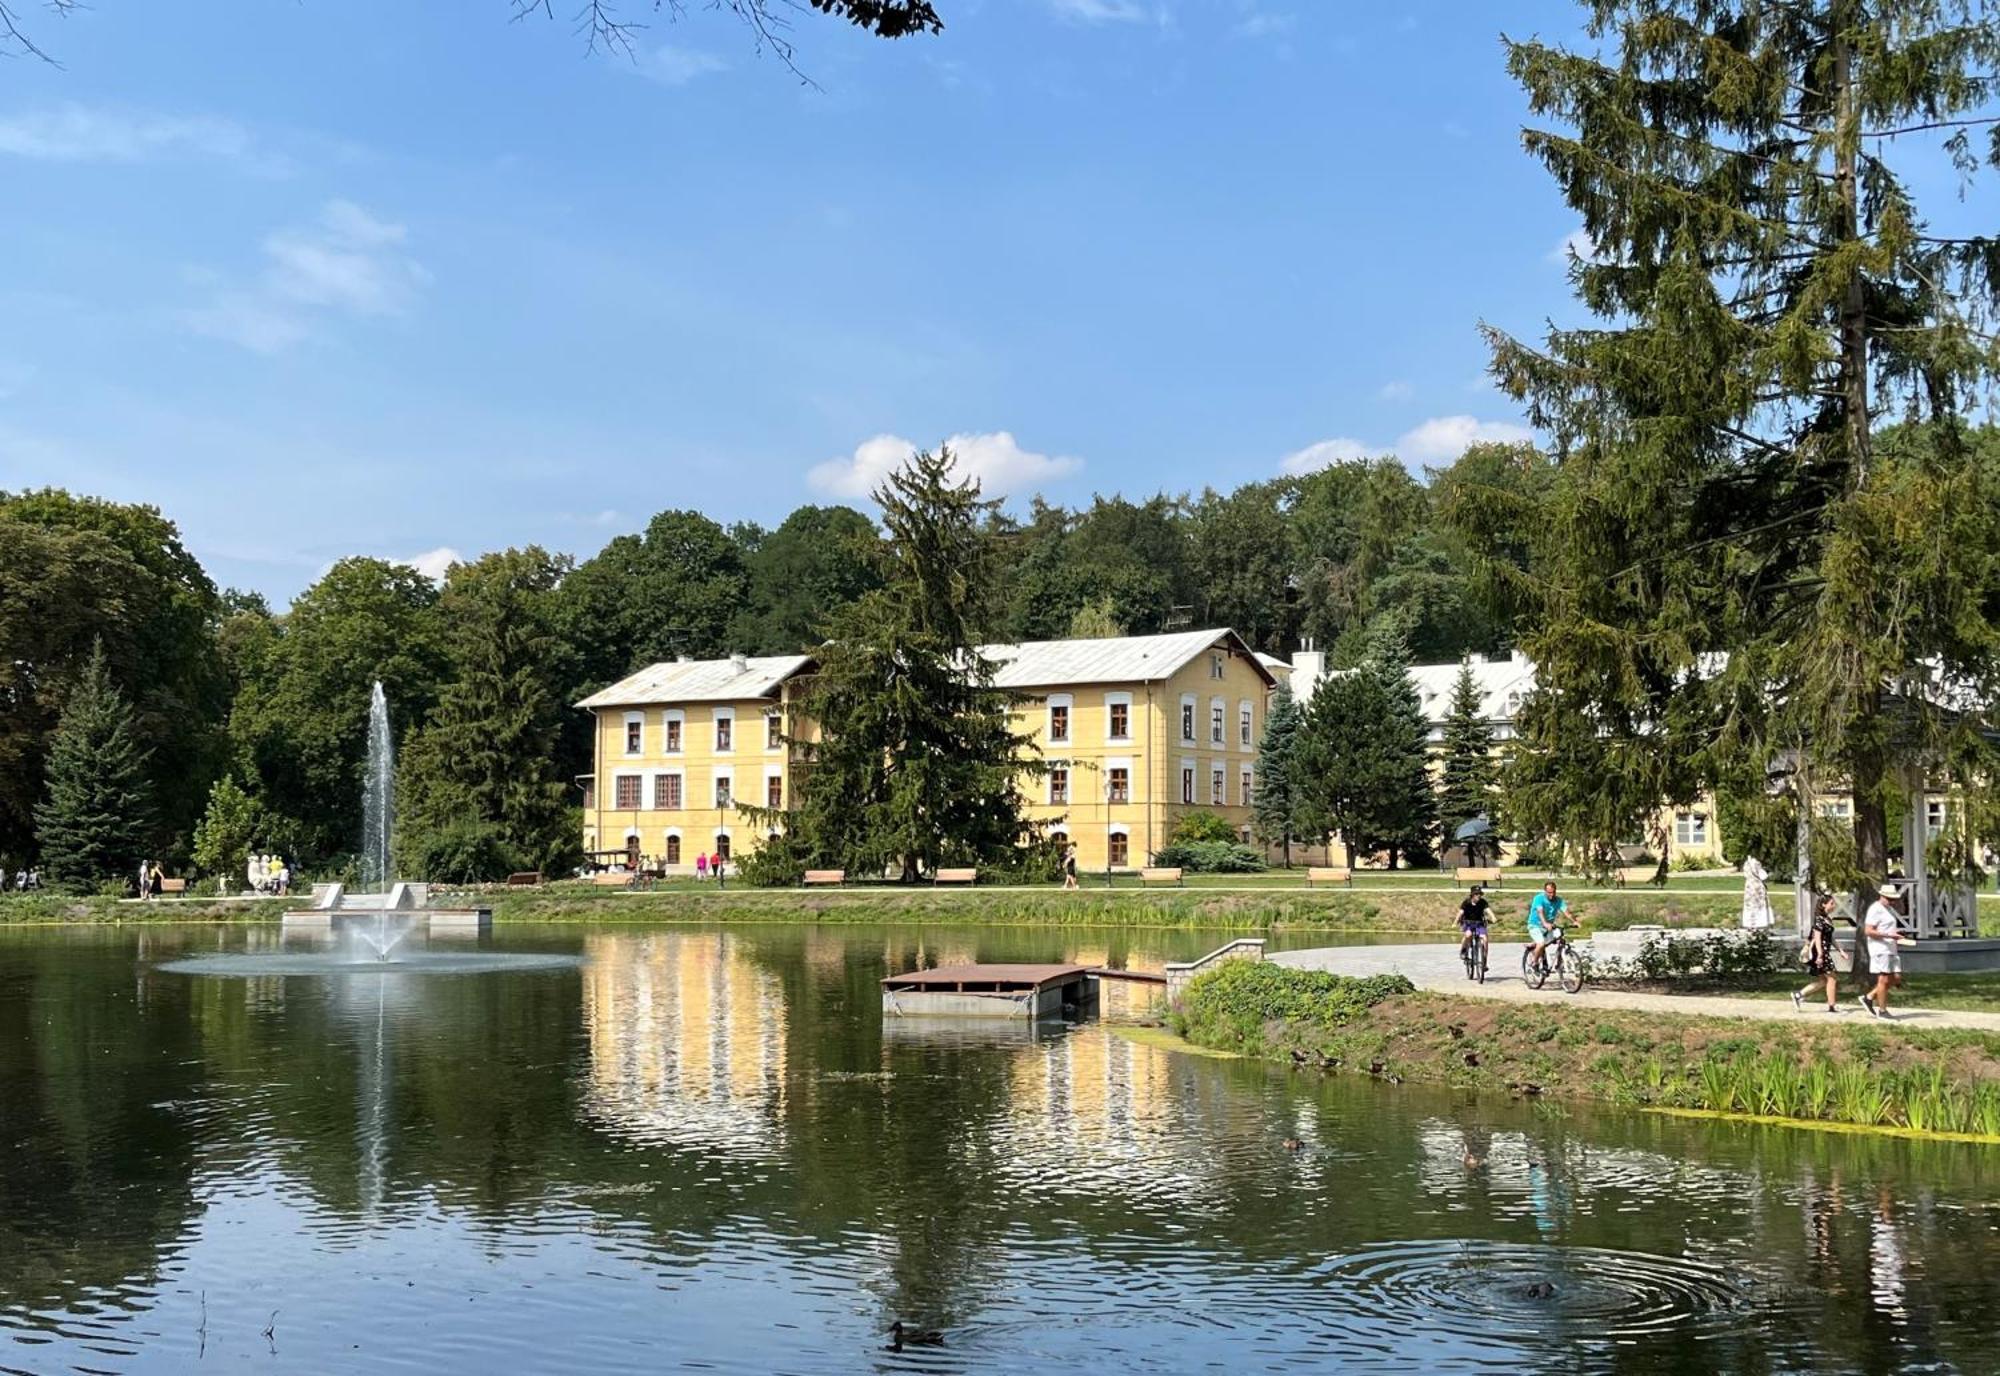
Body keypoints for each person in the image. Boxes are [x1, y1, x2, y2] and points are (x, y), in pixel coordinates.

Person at [1860, 884, 1906, 1019]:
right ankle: (1883, 1010)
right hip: (1880, 948)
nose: (1892, 902)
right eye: (1889, 899)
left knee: (1895, 977)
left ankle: (1868, 997)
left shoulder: (1889, 909)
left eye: (1893, 899)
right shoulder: (1875, 909)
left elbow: (1886, 927)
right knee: (1883, 979)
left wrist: (1895, 934)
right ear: (1882, 896)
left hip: (1891, 948)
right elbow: (1868, 931)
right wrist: (1889, 935)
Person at [1792, 893, 1841, 1013]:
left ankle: (1798, 995)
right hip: (1820, 952)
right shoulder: (1819, 920)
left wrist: (1841, 950)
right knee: (1832, 978)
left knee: (1824, 981)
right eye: (1831, 903)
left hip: (1824, 951)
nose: (1834, 905)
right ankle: (1832, 1006)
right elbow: (1817, 938)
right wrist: (1820, 955)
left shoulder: (1827, 919)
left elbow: (1830, 938)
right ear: (1824, 904)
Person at [1526, 881, 1570, 974]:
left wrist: (1575, 921)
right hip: (1535, 926)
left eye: (1553, 892)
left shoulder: (1558, 900)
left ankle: (1559, 965)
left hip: (1548, 927)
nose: (1552, 894)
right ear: (1545, 891)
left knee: (1561, 940)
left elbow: (1566, 912)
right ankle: (1534, 963)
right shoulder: (1539, 898)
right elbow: (1540, 911)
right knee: (1541, 944)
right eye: (1549, 892)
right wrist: (1545, 923)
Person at [1457, 884, 1491, 967]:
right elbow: (1460, 913)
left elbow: (1488, 911)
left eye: (1479, 894)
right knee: (1468, 935)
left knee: (1485, 939)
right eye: (1476, 894)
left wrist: (1494, 918)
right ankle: (1463, 950)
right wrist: (1456, 921)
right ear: (1472, 895)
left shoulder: (1483, 902)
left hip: (1479, 923)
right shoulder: (1466, 902)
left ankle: (1484, 961)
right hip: (1468, 923)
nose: (1478, 896)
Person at [1740, 855, 1774, 929]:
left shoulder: (1746, 863)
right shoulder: (1756, 863)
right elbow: (1763, 876)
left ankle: (1750, 924)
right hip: (1758, 886)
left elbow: (1745, 875)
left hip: (1749, 887)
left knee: (1750, 905)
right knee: (1759, 905)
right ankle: (1760, 923)